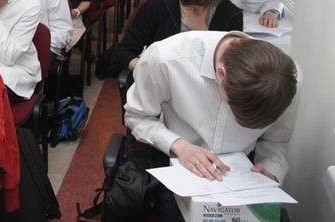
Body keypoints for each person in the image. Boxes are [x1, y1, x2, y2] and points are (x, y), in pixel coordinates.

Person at [124, 31, 298, 219]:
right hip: (176, 162)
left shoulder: (286, 80)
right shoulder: (167, 59)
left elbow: (276, 141)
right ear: (221, 75)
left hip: (243, 173)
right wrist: (178, 145)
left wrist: (271, 171)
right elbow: (136, 116)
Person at [109, 0, 243, 74]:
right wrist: (148, 69)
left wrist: (202, 32)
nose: (198, 12)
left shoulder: (231, 15)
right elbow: (123, 52)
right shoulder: (159, 5)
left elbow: (231, 69)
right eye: (192, 7)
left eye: (206, 6)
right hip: (160, 80)